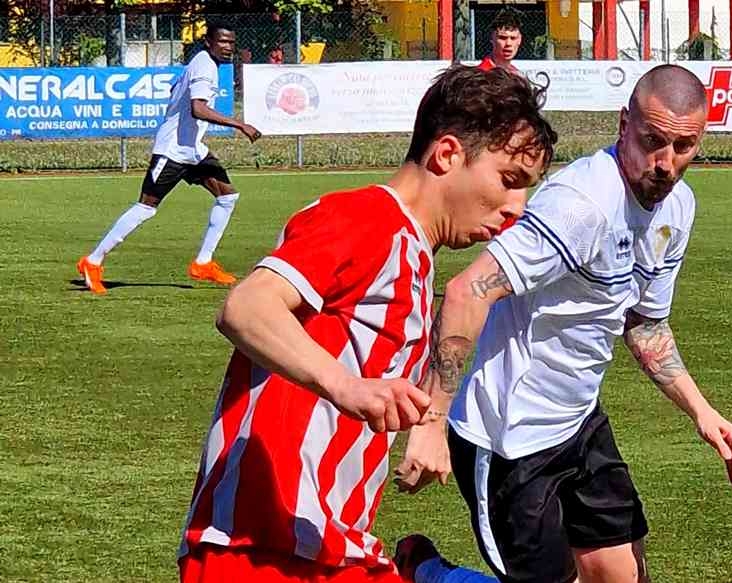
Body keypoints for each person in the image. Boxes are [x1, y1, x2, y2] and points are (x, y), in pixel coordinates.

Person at [178, 64, 558, 583]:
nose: (517, 208)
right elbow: (247, 307)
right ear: (447, 154)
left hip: (332, 545)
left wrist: (430, 422)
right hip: (260, 545)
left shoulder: (416, 257)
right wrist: (346, 386)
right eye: (509, 181)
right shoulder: (367, 218)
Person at [394, 65, 732, 583]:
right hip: (510, 440)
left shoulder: (677, 207)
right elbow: (468, 290)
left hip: (580, 422)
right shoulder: (580, 206)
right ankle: (427, 572)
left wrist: (702, 411)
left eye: (683, 146)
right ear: (623, 124)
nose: (665, 163)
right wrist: (431, 424)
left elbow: (645, 324)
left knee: (623, 576)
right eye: (652, 141)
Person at [76, 24, 262, 295]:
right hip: (172, 150)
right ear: (208, 41)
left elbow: (177, 90)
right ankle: (93, 261)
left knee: (227, 197)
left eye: (231, 42)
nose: (228, 47)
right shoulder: (204, 66)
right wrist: (240, 124)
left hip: (193, 150)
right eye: (222, 41)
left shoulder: (202, 63)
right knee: (146, 208)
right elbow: (198, 109)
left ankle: (203, 263)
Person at [478, 9, 522, 74]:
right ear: (492, 38)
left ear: (519, 40)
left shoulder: (516, 73)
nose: (508, 43)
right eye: (503, 38)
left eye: (513, 38)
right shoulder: (483, 73)